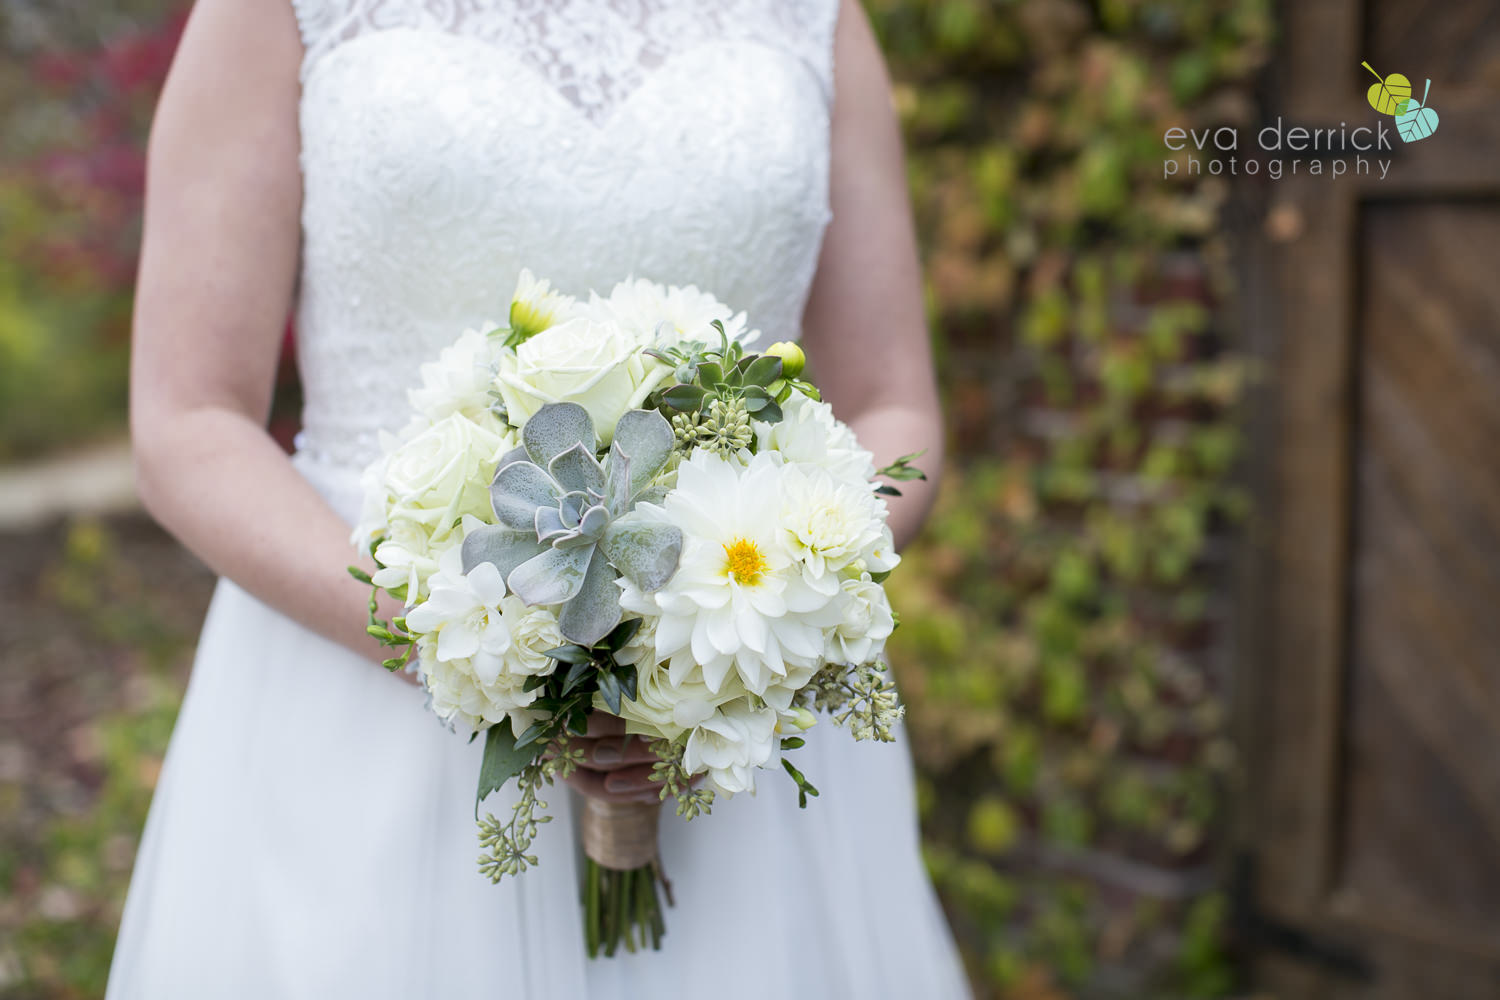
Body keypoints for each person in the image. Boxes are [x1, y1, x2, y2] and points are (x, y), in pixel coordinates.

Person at [107, 1, 970, 996]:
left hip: (734, 717)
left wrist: (732, 627)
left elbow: (892, 403)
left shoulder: (815, 17)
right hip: (365, 695)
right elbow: (187, 422)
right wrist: (471, 646)